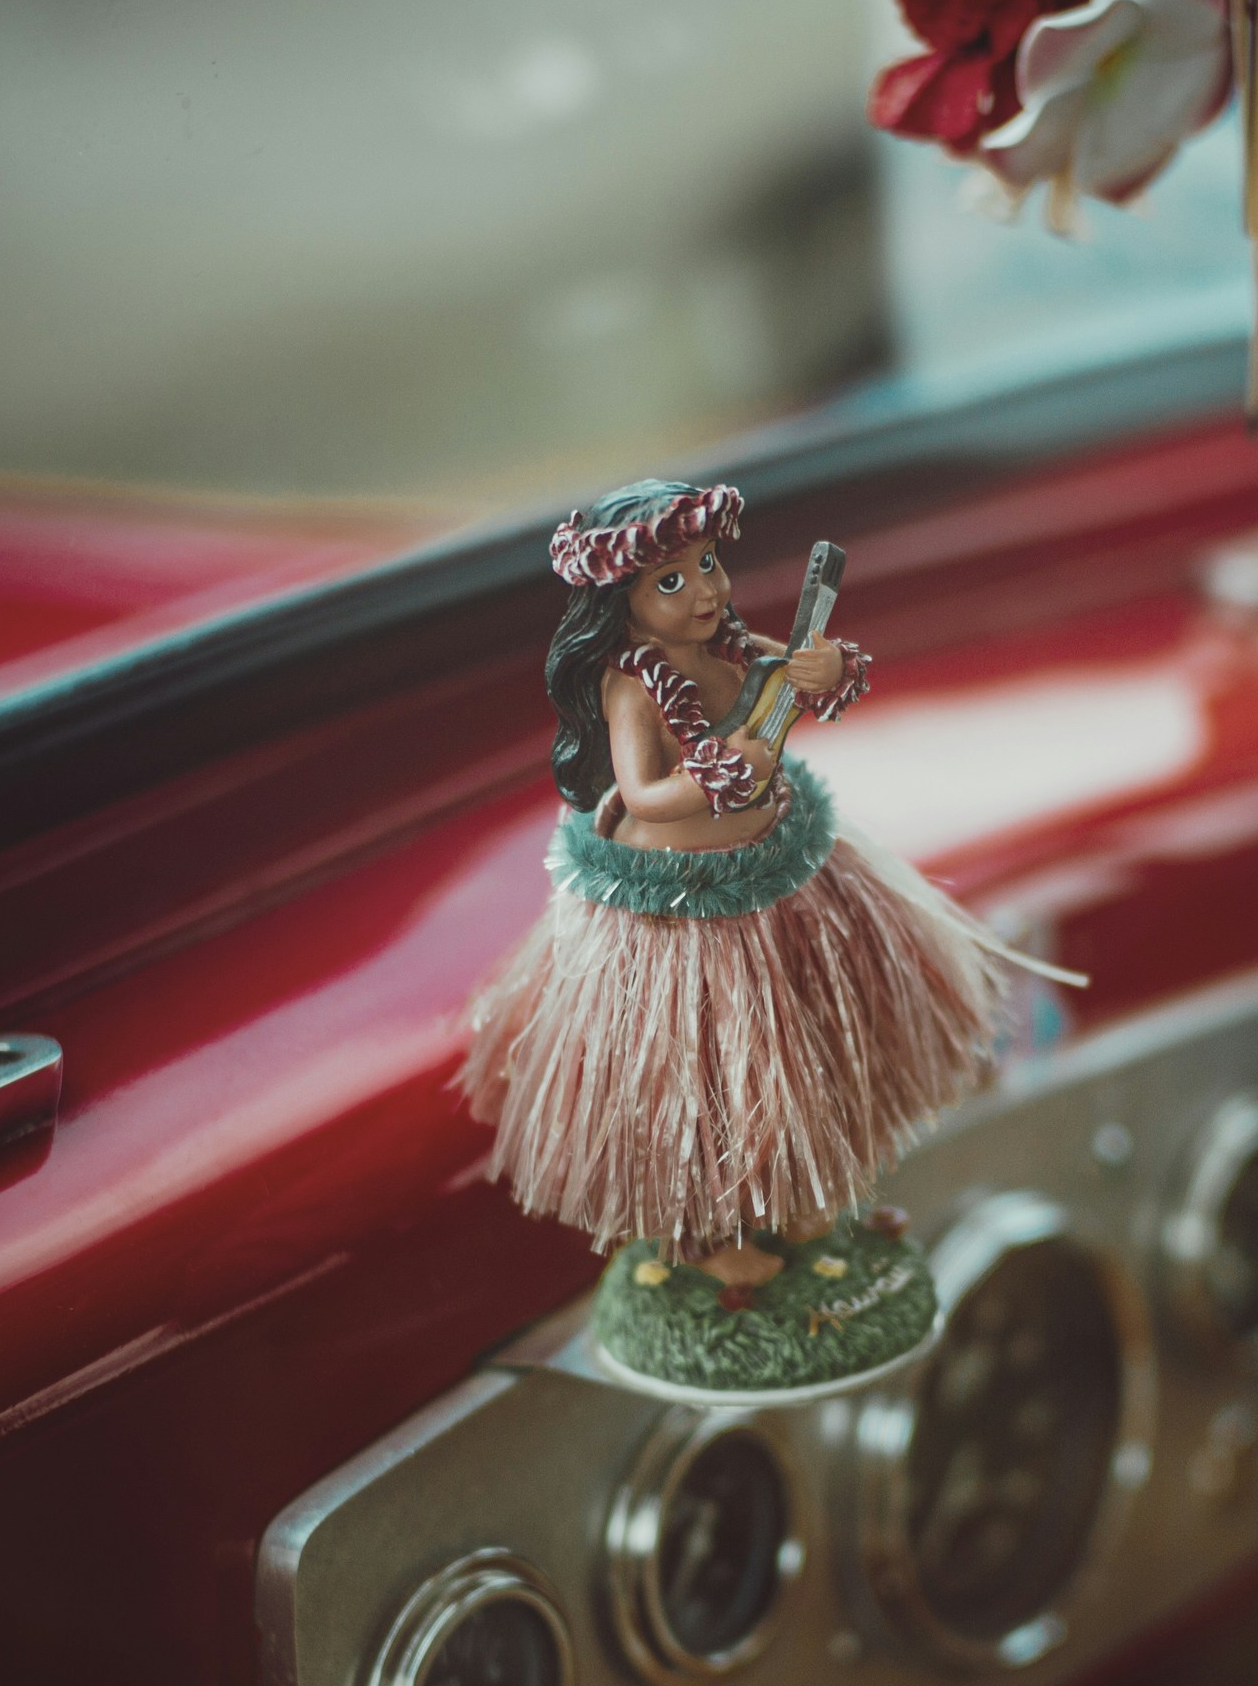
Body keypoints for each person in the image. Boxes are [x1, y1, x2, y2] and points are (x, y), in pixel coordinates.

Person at [458, 477, 1071, 1398]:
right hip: (680, 914)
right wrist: (715, 776)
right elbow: (647, 789)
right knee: (693, 1080)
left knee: (811, 1049)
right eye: (672, 582)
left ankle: (799, 1200)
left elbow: (818, 677)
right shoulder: (632, 685)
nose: (704, 591)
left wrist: (825, 673)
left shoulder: (738, 647)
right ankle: (709, 1236)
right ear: (618, 600)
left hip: (778, 880)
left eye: (708, 566)